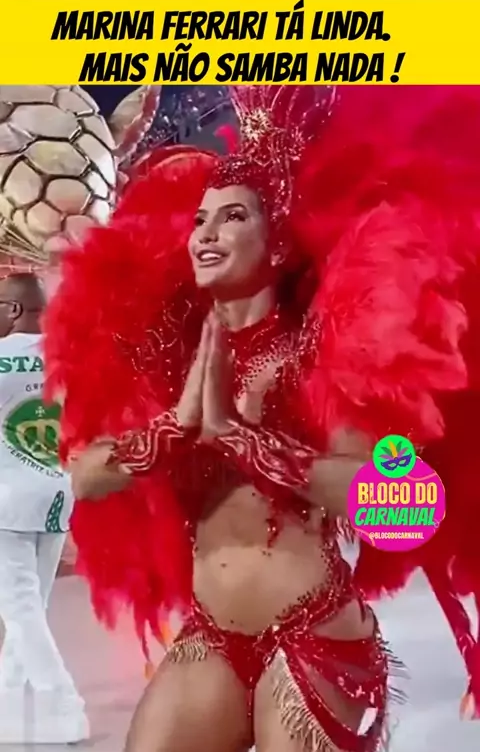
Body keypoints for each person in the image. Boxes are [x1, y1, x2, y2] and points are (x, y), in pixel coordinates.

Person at [44, 85, 480, 752]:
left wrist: (245, 442)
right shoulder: (172, 358)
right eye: (201, 219)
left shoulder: (323, 351)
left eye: (233, 217)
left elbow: (393, 500)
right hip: (212, 636)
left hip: (313, 634)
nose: (207, 234)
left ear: (275, 245)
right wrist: (172, 432)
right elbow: (86, 476)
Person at [0, 273, 89, 744]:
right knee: (32, 608)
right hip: (56, 493)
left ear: (14, 309)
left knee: (20, 611)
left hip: (6, 501)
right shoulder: (68, 359)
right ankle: (9, 708)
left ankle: (65, 706)